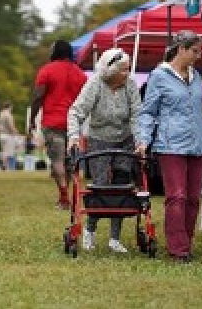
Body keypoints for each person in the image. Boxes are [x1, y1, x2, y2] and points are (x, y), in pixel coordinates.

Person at [135, 30, 202, 263]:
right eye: (195, 51)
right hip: (171, 145)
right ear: (181, 49)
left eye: (200, 51)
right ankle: (178, 249)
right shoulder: (159, 76)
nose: (198, 56)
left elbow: (198, 111)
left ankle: (186, 243)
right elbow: (148, 112)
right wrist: (143, 140)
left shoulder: (197, 76)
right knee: (176, 196)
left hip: (197, 144)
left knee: (192, 198)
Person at [67, 48, 141, 253]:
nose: (128, 73)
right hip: (99, 139)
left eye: (128, 69)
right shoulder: (95, 84)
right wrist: (73, 136)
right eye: (124, 70)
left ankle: (114, 239)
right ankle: (90, 231)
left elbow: (137, 115)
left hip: (125, 140)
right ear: (111, 72)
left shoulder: (131, 85)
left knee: (121, 186)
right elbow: (76, 112)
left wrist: (140, 141)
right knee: (100, 186)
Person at [29, 40, 87, 209]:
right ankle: (65, 194)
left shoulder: (47, 70)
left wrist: (32, 118)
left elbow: (38, 95)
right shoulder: (80, 74)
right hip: (73, 123)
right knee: (68, 162)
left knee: (57, 160)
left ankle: (63, 197)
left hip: (52, 122)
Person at [0, 102, 19, 170]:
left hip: (1, 135)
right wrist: (15, 133)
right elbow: (11, 125)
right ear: (10, 107)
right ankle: (4, 166)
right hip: (8, 135)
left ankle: (4, 165)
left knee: (4, 151)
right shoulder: (8, 115)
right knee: (8, 153)